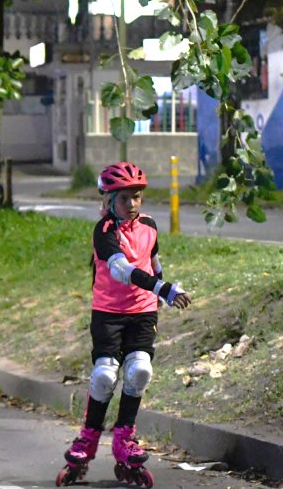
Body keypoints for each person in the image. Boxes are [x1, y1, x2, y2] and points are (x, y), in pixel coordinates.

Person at [56, 162, 192, 487]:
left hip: (143, 312)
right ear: (108, 200)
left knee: (140, 372)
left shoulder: (150, 226)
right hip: (108, 312)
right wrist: (163, 288)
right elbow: (122, 270)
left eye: (137, 196)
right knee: (104, 375)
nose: (132, 204)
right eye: (124, 198)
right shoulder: (103, 232)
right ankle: (87, 440)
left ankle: (124, 439)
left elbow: (153, 261)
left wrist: (160, 289)